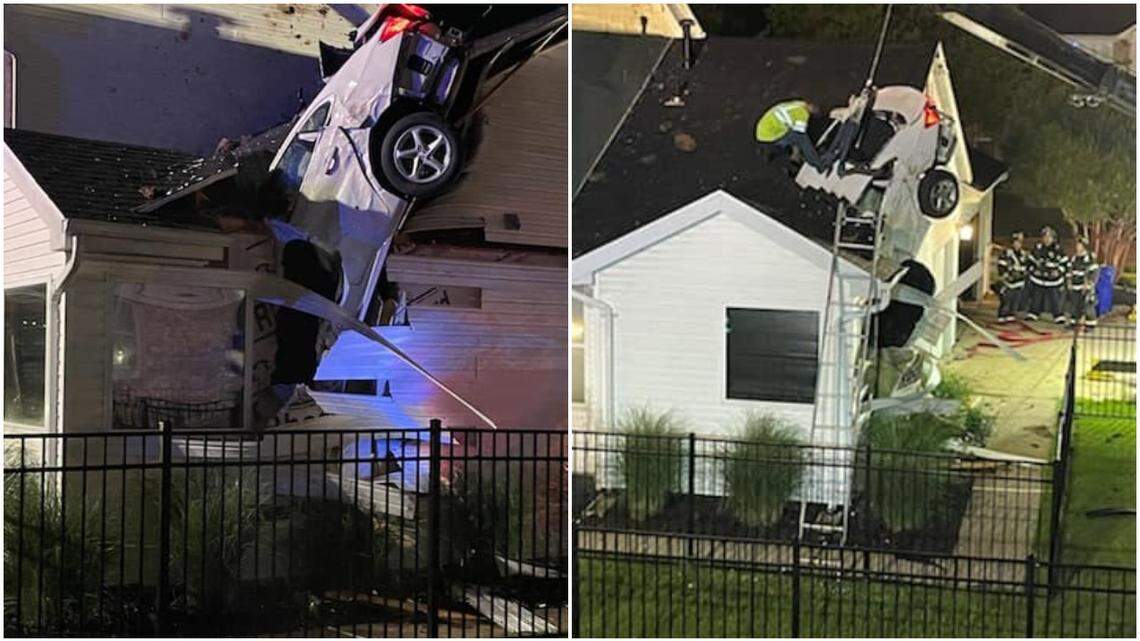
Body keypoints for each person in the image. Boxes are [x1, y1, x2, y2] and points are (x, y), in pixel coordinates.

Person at [755, 95, 866, 175]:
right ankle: (819, 164)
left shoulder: (797, 104)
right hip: (771, 134)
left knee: (794, 139)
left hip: (763, 130)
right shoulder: (802, 114)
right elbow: (802, 139)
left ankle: (780, 152)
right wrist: (812, 156)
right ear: (811, 107)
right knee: (802, 141)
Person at [1024, 226, 1067, 322]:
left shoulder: (1058, 249)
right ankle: (1033, 314)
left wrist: (1058, 272)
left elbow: (1065, 263)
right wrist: (1033, 270)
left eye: (1049, 237)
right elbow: (1030, 262)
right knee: (1036, 298)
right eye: (1045, 237)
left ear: (1053, 238)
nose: (1046, 239)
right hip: (1038, 279)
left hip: (1053, 281)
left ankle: (1058, 316)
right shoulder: (1037, 248)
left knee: (1055, 300)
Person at [1063, 236, 1099, 328]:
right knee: (1074, 306)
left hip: (1086, 287)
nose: (1077, 247)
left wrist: (1089, 284)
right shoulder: (1074, 258)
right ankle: (1073, 323)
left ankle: (1090, 325)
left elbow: (1094, 272)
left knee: (1087, 307)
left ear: (1084, 246)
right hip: (1075, 286)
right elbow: (1069, 270)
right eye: (1077, 245)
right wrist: (1069, 282)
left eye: (1079, 245)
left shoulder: (1090, 258)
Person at [996, 232, 1029, 322]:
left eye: (1019, 243)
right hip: (1008, 281)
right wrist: (1004, 274)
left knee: (1016, 299)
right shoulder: (1006, 253)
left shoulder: (1023, 254)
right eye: (1016, 242)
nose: (1017, 244)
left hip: (1019, 281)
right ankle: (1002, 315)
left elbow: (1026, 266)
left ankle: (1011, 315)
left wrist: (1023, 274)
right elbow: (1001, 265)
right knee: (1006, 299)